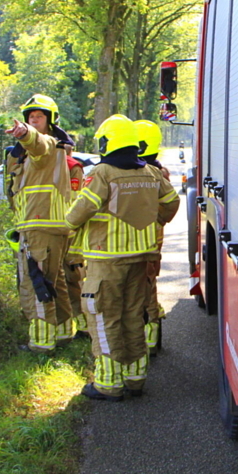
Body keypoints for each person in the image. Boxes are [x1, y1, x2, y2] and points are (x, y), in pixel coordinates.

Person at [67, 115, 179, 400]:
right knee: (132, 317)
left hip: (106, 260)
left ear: (108, 141)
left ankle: (108, 383)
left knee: (104, 318)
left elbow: (80, 211)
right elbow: (171, 202)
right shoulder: (152, 173)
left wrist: (66, 230)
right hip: (139, 258)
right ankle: (135, 377)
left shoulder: (103, 173)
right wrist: (157, 221)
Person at [4, 94, 75, 352]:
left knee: (36, 285)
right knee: (54, 282)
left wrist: (25, 134)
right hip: (44, 226)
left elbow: (39, 144)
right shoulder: (24, 154)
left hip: (41, 227)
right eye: (30, 117)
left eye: (39, 116)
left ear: (50, 121)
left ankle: (41, 344)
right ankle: (63, 332)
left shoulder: (47, 146)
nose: (34, 120)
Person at [135, 119, 170, 356]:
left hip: (140, 242)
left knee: (143, 288)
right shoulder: (159, 171)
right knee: (148, 285)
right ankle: (151, 336)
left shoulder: (148, 173)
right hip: (152, 242)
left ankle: (148, 337)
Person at [62, 153, 88, 337]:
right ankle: (70, 325)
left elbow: (77, 205)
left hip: (70, 236)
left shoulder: (72, 167)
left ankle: (84, 325)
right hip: (56, 234)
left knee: (73, 282)